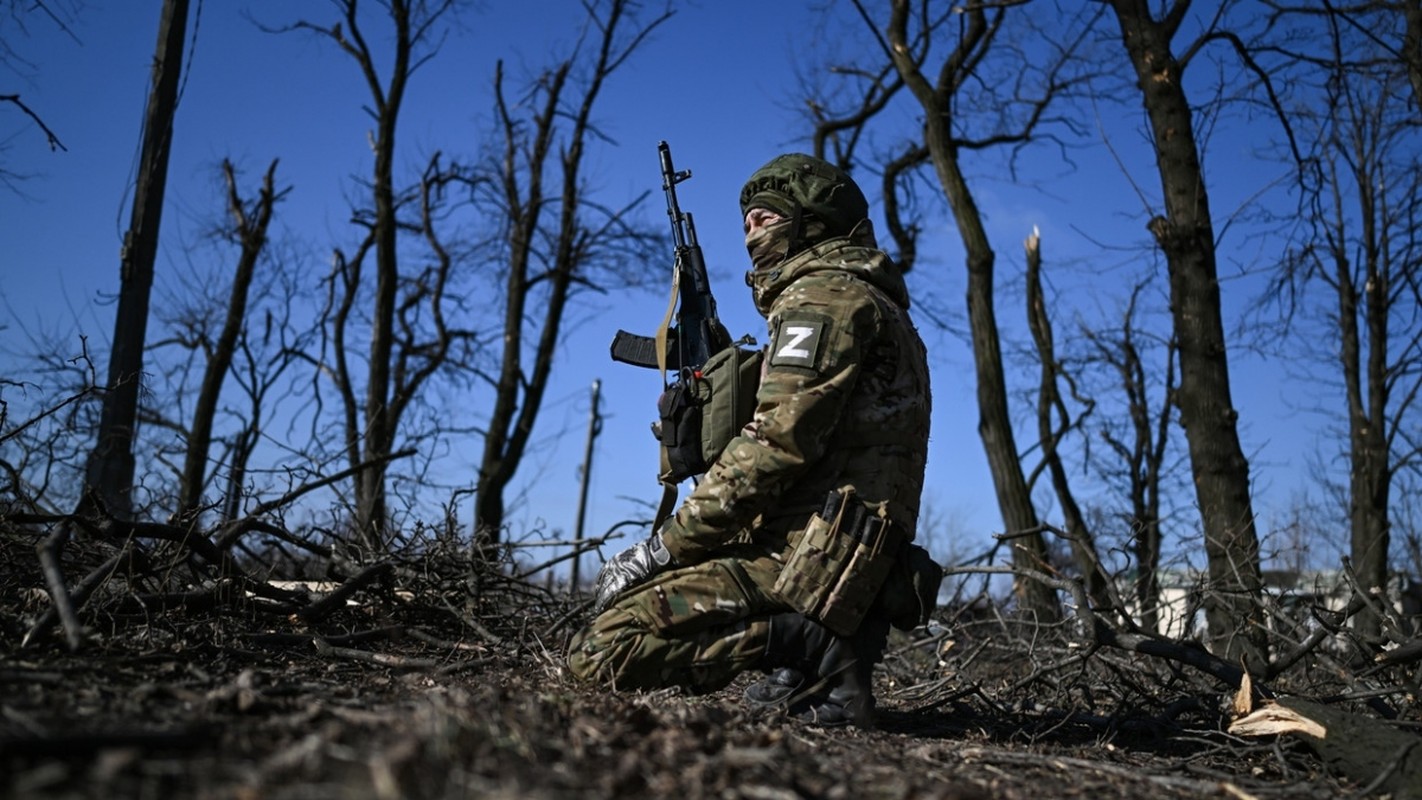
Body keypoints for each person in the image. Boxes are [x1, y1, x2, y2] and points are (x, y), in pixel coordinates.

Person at [566, 152, 932, 728]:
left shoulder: (823, 300)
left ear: (814, 221)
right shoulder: (866, 300)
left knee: (601, 649)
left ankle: (810, 644)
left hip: (805, 559)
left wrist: (663, 548)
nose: (751, 231)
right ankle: (809, 659)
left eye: (769, 217)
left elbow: (775, 445)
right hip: (837, 554)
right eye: (746, 221)